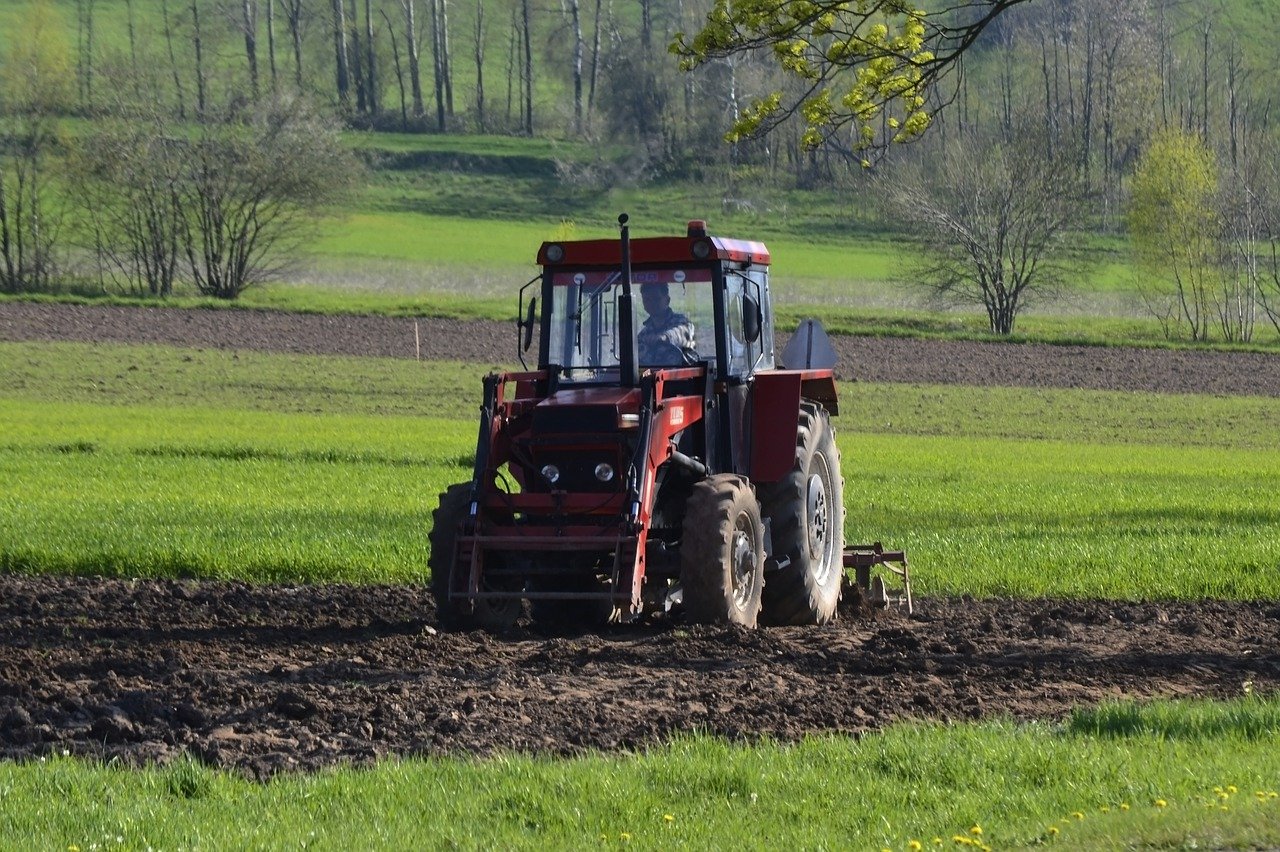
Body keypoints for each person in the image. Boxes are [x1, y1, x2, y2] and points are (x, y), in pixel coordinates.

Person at [637, 282, 698, 364]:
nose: (651, 303)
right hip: (651, 375)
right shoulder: (643, 335)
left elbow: (681, 333)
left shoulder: (682, 323)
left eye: (656, 299)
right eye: (647, 299)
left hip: (682, 376)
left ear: (667, 300)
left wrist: (665, 337)